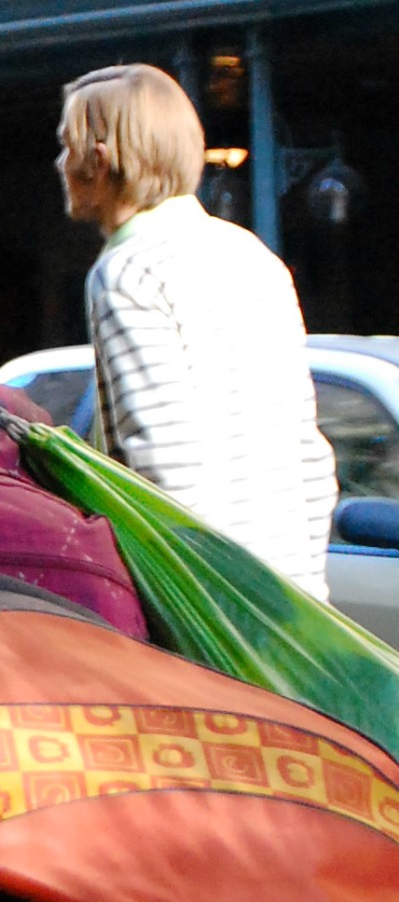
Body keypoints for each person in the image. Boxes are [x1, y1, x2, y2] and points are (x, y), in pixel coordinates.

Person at [57, 63, 337, 599]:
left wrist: (192, 609)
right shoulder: (251, 255)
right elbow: (308, 450)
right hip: (288, 588)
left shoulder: (127, 271)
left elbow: (164, 459)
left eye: (67, 146)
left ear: (100, 159)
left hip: (210, 599)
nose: (61, 163)